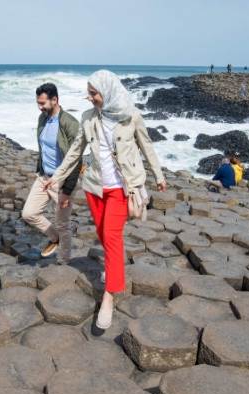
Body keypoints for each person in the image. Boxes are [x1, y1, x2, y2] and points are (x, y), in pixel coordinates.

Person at [43, 70, 167, 333]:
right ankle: (110, 270)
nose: (90, 98)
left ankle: (109, 294)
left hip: (121, 189)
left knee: (111, 236)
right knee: (102, 233)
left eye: (94, 93)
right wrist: (57, 176)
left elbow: (147, 146)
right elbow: (76, 151)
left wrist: (158, 175)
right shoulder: (89, 118)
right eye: (89, 93)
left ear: (108, 91)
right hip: (95, 188)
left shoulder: (130, 116)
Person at [21, 83, 81, 265]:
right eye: (38, 103)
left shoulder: (70, 123)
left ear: (55, 100)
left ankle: (64, 262)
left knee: (63, 223)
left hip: (61, 181)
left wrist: (67, 190)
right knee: (29, 213)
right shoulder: (43, 118)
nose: (40, 107)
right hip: (44, 177)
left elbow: (77, 159)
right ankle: (55, 238)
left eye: (43, 103)